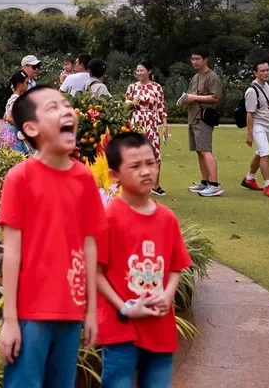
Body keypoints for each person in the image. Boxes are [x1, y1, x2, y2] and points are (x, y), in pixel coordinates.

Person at [0, 85, 104, 387]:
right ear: (31, 128)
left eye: (67, 105)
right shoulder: (20, 178)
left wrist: (92, 311)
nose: (67, 110)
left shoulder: (83, 178)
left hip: (71, 311)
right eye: (53, 107)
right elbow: (12, 253)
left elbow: (89, 245)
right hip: (30, 314)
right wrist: (10, 321)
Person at [95, 132, 192, 388]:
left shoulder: (167, 219)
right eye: (135, 166)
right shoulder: (109, 217)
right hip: (120, 329)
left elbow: (175, 266)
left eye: (150, 163)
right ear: (115, 174)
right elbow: (95, 272)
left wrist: (169, 295)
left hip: (159, 327)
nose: (146, 171)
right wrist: (124, 307)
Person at [181, 50, 223, 198]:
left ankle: (215, 185)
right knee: (199, 151)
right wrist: (185, 99)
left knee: (206, 150)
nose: (194, 62)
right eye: (192, 59)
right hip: (193, 118)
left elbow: (215, 97)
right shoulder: (195, 77)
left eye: (197, 59)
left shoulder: (212, 77)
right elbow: (191, 95)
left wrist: (194, 97)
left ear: (205, 60)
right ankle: (205, 182)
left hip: (204, 118)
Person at [125, 62, 169, 197]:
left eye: (142, 70)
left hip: (152, 121)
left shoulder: (156, 87)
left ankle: (156, 185)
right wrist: (132, 103)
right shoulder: (132, 87)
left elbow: (161, 106)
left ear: (149, 71)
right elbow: (125, 106)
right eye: (137, 70)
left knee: (154, 152)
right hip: (136, 120)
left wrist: (165, 123)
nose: (139, 73)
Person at [242, 60, 269, 198]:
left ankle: (249, 178)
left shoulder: (268, 86)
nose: (266, 73)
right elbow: (249, 114)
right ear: (255, 73)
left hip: (268, 124)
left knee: (260, 152)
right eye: (262, 71)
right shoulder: (251, 91)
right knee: (265, 153)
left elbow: (266, 106)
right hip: (258, 126)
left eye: (267, 70)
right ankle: (268, 184)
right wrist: (249, 134)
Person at [3, 70, 31, 154]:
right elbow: (8, 118)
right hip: (14, 133)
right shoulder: (16, 99)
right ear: (19, 84)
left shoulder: (14, 98)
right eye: (26, 83)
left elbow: (5, 116)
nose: (28, 85)